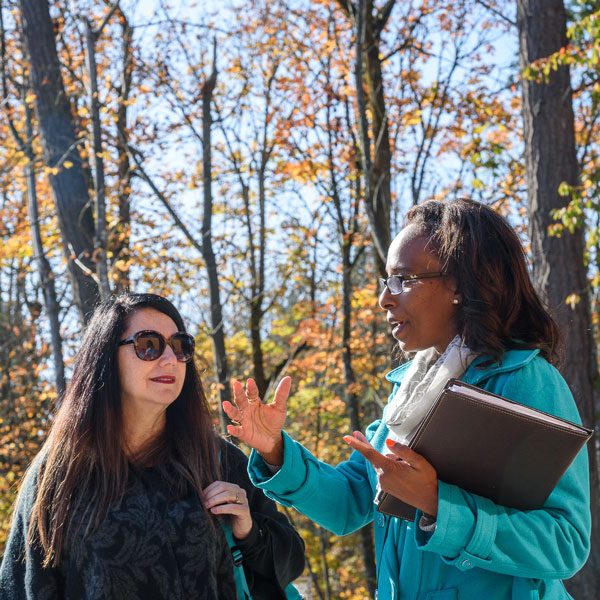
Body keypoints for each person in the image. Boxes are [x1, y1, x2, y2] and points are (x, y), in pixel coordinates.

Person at [224, 198, 591, 599]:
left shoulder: (526, 381)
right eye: (386, 281)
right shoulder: (411, 391)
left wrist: (439, 506)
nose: (385, 298)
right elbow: (350, 503)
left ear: (459, 285)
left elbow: (566, 543)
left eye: (403, 279)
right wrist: (277, 451)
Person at [0, 292, 305, 600]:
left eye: (179, 346)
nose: (170, 359)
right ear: (105, 357)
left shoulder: (218, 460)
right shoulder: (59, 476)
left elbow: (290, 564)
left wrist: (248, 533)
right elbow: (21, 589)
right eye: (149, 345)